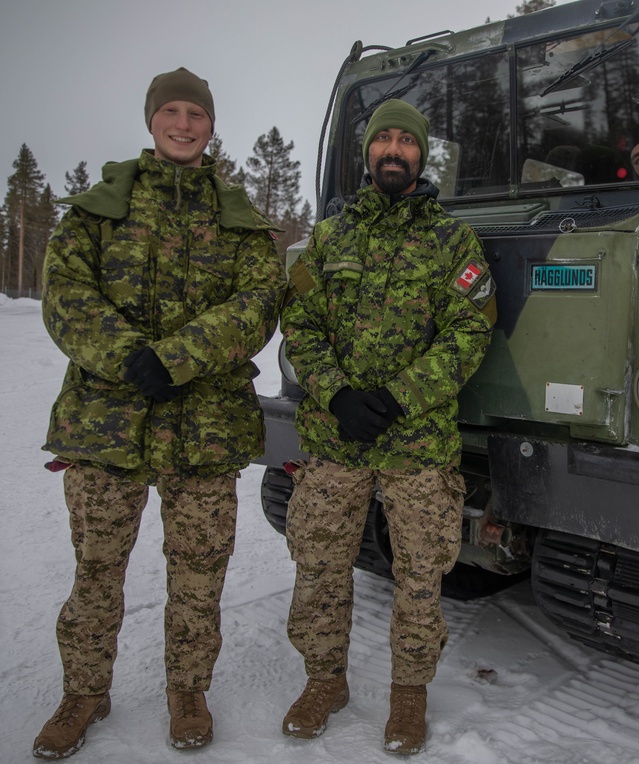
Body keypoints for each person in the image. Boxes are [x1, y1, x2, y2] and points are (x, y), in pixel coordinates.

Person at [33, 67, 285, 759]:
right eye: (170, 111)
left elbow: (259, 304)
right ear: (152, 120)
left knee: (200, 571)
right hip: (105, 424)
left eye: (195, 114)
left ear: (210, 125)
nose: (183, 124)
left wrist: (176, 358)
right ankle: (84, 691)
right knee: (96, 570)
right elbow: (65, 295)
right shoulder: (98, 207)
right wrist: (128, 357)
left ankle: (187, 690)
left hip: (204, 426)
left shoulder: (239, 218)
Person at [279, 99, 496, 756]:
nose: (395, 150)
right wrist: (337, 392)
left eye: (407, 141)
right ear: (368, 154)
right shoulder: (328, 238)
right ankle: (324, 681)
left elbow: (470, 329)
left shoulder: (451, 241)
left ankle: (409, 694)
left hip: (417, 443)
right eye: (384, 141)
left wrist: (402, 396)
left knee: (420, 574)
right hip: (335, 437)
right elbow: (301, 324)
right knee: (317, 564)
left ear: (421, 155)